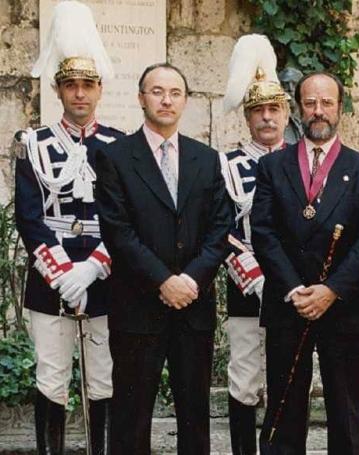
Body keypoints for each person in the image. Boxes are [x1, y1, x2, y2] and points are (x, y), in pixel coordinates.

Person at [94, 63, 232, 455]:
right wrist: (162, 280)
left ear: (185, 100)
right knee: (131, 418)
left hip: (193, 307)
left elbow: (221, 227)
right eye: (157, 91)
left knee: (195, 418)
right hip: (138, 308)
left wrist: (190, 280)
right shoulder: (116, 158)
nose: (166, 99)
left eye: (174, 92)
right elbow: (117, 232)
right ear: (141, 98)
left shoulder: (206, 159)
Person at [251, 71, 359, 454]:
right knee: (284, 410)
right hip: (287, 304)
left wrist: (330, 291)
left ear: (340, 108)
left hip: (343, 305)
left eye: (327, 103)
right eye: (310, 103)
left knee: (345, 413)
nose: (318, 111)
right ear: (299, 109)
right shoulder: (273, 167)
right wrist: (295, 289)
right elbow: (264, 233)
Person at [14, 2, 121, 453]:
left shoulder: (120, 146)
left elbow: (124, 219)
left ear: (99, 90)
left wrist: (92, 269)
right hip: (49, 275)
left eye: (88, 85)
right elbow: (28, 215)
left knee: (103, 376)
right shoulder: (32, 144)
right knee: (51, 375)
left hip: (105, 275)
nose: (80, 94)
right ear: (58, 89)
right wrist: (63, 275)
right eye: (71, 85)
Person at [220, 34, 290, 455]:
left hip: (291, 289)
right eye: (258, 111)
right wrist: (256, 278)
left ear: (285, 114)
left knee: (286, 378)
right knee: (244, 380)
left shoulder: (302, 160)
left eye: (274, 109)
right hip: (248, 290)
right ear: (247, 117)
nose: (267, 118)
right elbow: (220, 229)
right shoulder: (225, 165)